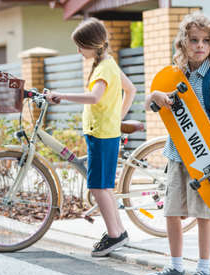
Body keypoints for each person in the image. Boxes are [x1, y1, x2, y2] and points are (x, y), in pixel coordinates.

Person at [144, 11, 210, 275]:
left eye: (206, 41)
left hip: (203, 157)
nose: (200, 46)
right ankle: (176, 267)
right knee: (171, 211)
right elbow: (152, 104)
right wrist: (154, 96)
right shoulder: (175, 75)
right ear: (183, 43)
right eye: (194, 40)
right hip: (176, 154)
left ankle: (204, 270)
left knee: (203, 213)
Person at [46, 18, 136, 257]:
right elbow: (131, 89)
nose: (78, 51)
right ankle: (118, 232)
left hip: (102, 134)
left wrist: (61, 95)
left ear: (91, 44)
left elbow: (95, 97)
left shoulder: (105, 67)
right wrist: (117, 117)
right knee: (103, 186)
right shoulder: (108, 63)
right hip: (104, 131)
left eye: (80, 46)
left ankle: (115, 236)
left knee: (98, 187)